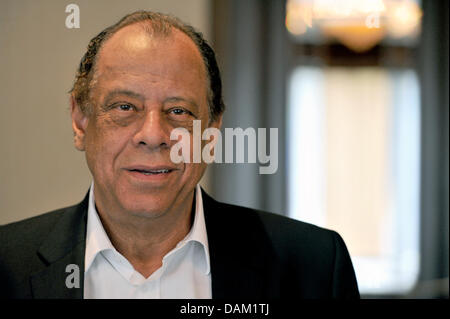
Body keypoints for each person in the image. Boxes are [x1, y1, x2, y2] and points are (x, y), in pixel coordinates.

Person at [0, 11, 359, 299]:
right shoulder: (6, 266)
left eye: (180, 111)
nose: (153, 135)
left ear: (212, 131)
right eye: (125, 106)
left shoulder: (312, 267)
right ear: (80, 121)